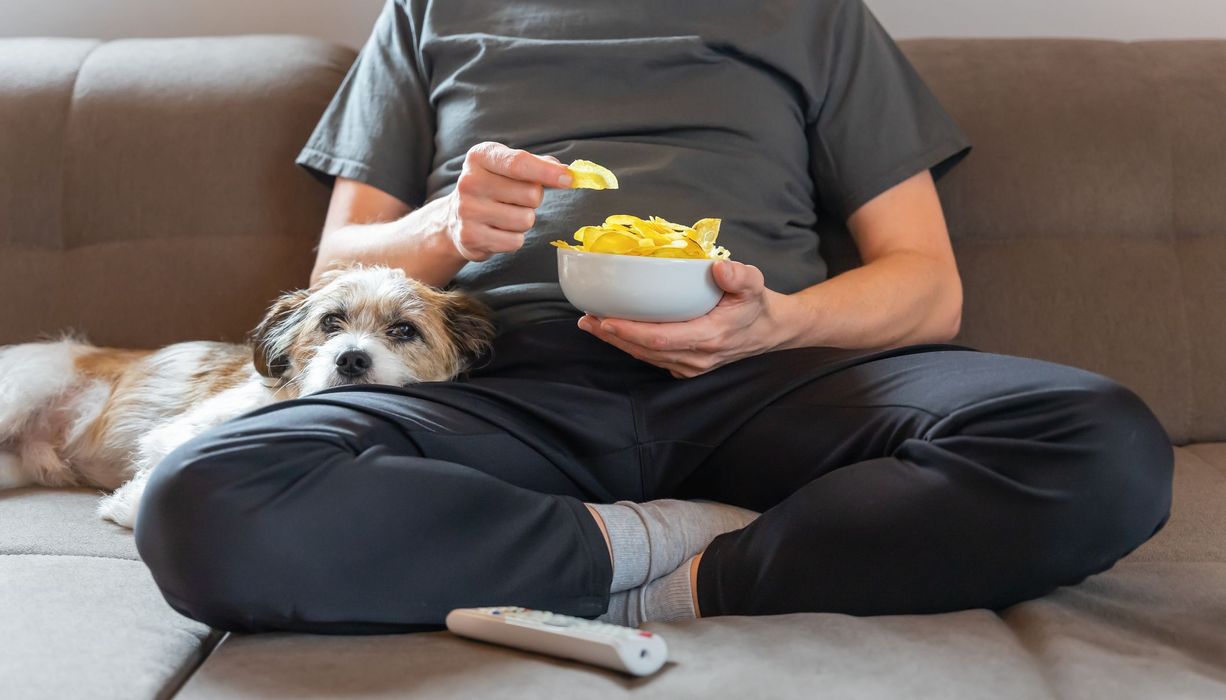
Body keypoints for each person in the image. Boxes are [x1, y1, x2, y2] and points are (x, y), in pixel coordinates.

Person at [135, 0, 1172, 633]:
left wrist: (781, 322)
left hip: (765, 370)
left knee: (1097, 440)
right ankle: (633, 554)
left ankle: (697, 582)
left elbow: (926, 285)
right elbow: (335, 267)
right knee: (199, 497)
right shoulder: (427, 7)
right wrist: (447, 223)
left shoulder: (812, 12)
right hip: (501, 382)